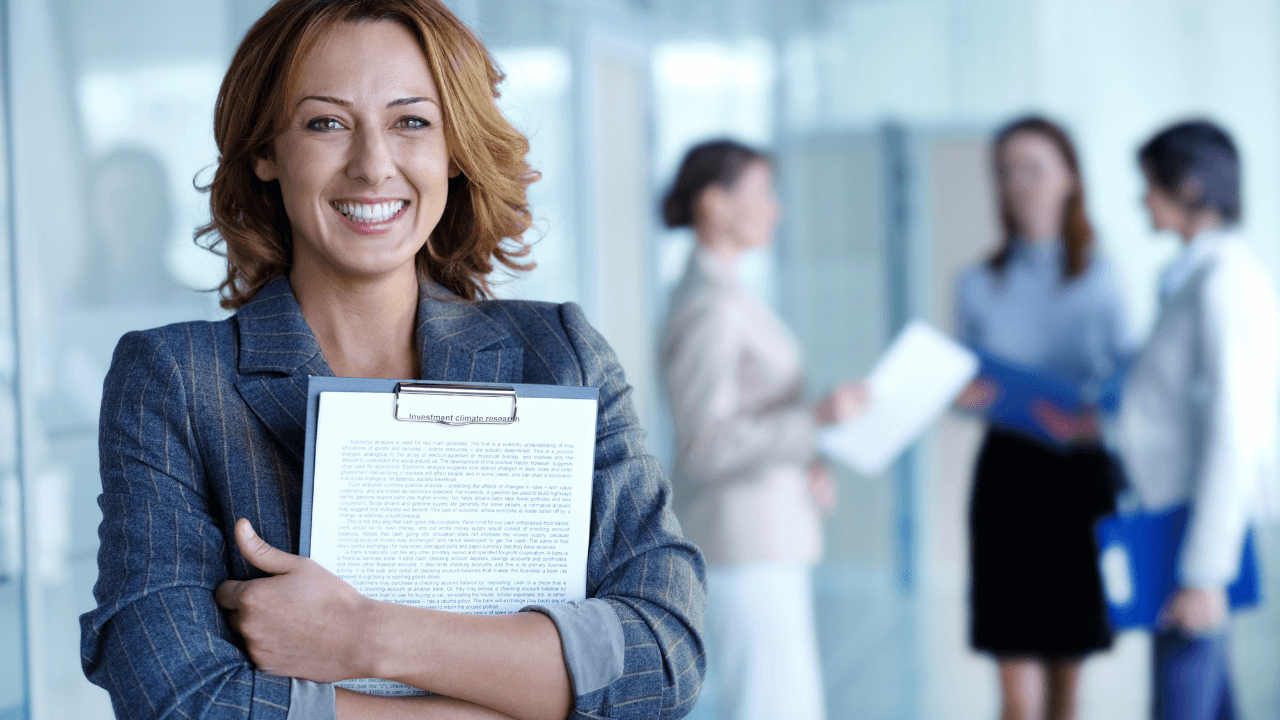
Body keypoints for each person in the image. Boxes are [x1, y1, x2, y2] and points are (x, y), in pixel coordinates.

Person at [78, 2, 706, 719]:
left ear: (453, 150)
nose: (373, 165)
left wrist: (363, 636)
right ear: (265, 152)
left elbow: (664, 655)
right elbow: (176, 695)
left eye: (411, 121)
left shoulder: (559, 356)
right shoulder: (176, 379)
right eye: (325, 122)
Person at [657, 139, 866, 720]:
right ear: (716, 204)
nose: (776, 209)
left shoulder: (726, 291)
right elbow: (705, 444)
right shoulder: (709, 305)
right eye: (763, 192)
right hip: (742, 543)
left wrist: (806, 457)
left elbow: (754, 420)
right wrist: (816, 419)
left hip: (765, 534)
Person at [953, 116, 1133, 720]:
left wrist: (1096, 415)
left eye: (1034, 169)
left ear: (1069, 179)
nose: (1020, 184)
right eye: (1007, 172)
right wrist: (966, 396)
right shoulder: (976, 283)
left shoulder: (1107, 281)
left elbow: (1129, 390)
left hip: (1078, 477)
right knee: (1015, 692)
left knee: (1068, 681)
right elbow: (962, 383)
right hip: (1007, 476)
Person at [1118, 120, 1280, 720]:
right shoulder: (1196, 277)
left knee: (1184, 698)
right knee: (1206, 700)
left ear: (1188, 187)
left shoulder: (1224, 283)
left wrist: (1204, 573)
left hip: (1198, 533)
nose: (1141, 199)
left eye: (1149, 184)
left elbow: (1234, 431)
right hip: (1176, 521)